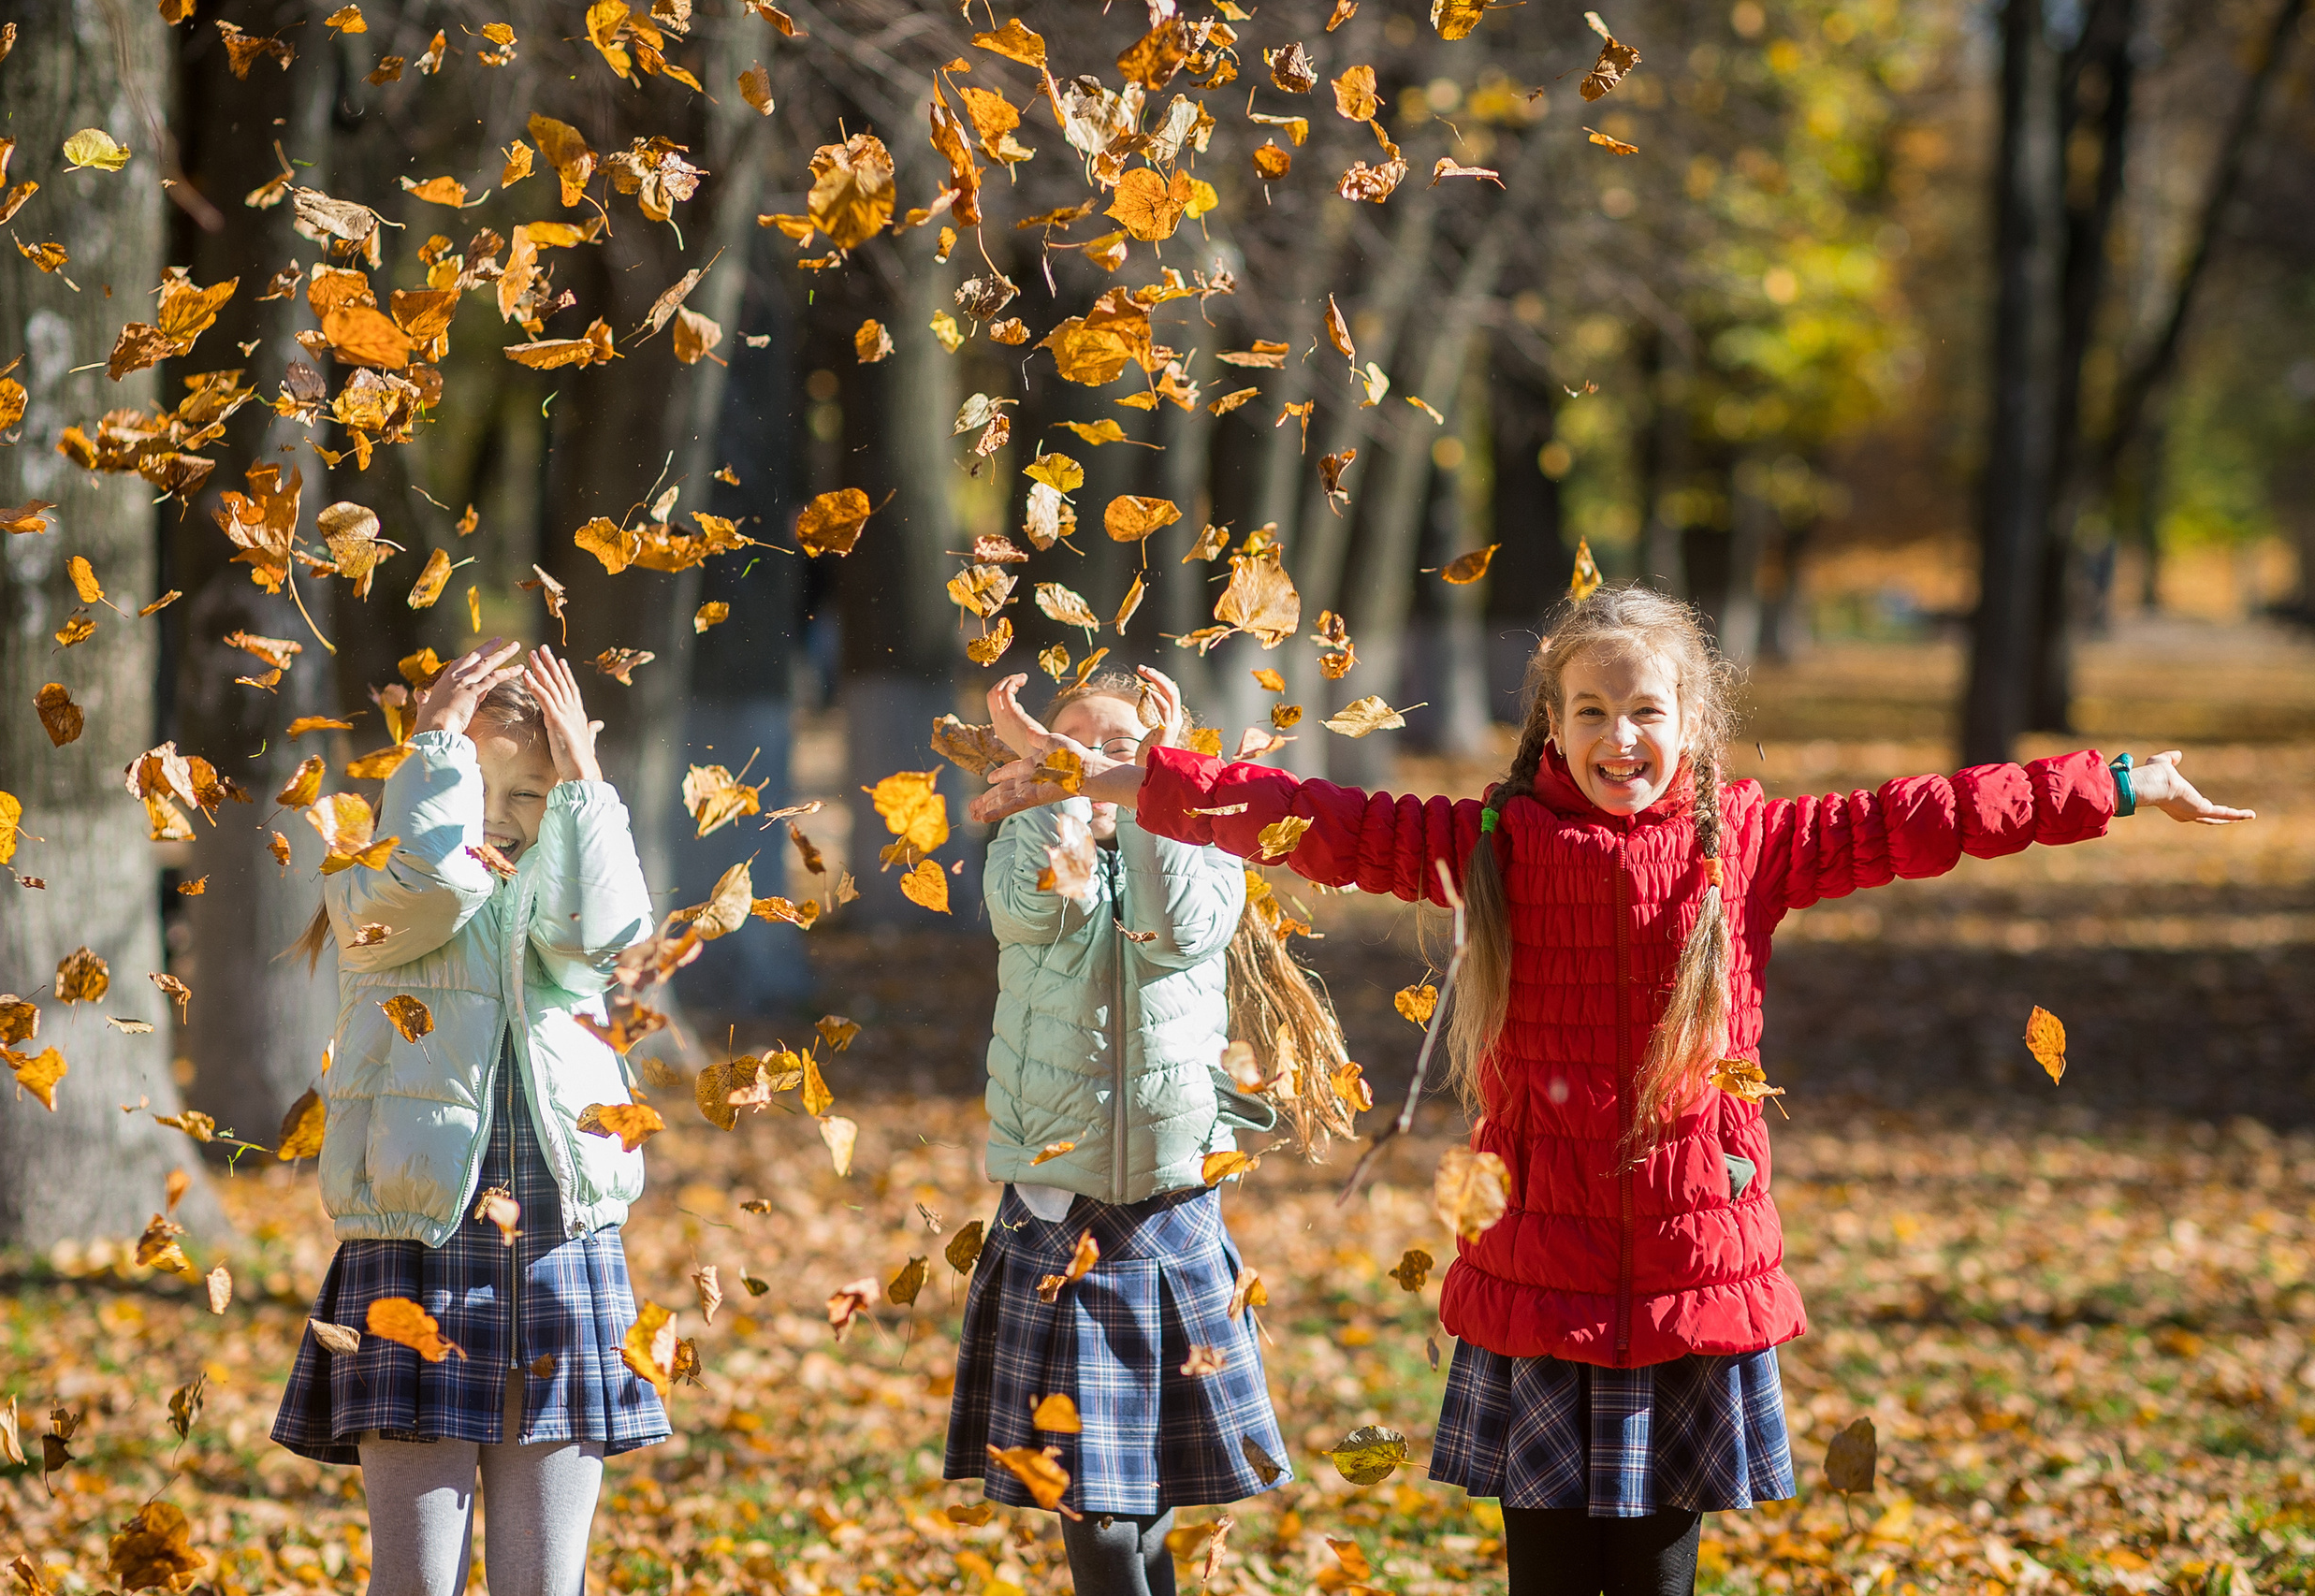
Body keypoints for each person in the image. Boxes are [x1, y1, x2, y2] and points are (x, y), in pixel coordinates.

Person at [965, 588, 2252, 1596]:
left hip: (1693, 1272)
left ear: (1692, 722)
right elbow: (1313, 817)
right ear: (1550, 722)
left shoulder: (1748, 844)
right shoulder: (1491, 844)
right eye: (1588, 710)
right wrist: (1121, 779)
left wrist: (2120, 779)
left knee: (1654, 1569)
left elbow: (1941, 812)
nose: (1617, 738)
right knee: (1546, 1565)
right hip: (1540, 1269)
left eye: (1644, 711)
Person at [270, 642, 668, 1596]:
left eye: (527, 791)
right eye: (471, 783)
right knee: (415, 1583)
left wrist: (589, 782)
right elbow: (441, 884)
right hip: (413, 1244)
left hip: (558, 1245)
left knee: (545, 1582)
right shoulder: (370, 880)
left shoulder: (559, 891)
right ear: (423, 777)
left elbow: (613, 934)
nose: (497, 815)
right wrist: (437, 747)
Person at [943, 669, 1347, 1596]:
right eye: (1070, 739)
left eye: (1119, 745)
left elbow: (1177, 928)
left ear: (1163, 758)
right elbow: (1041, 909)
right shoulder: (1024, 837)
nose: (1090, 758)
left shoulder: (1205, 840)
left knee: (1146, 1495)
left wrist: (1157, 793)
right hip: (1057, 1210)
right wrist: (1052, 785)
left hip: (1169, 1202)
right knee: (1095, 1507)